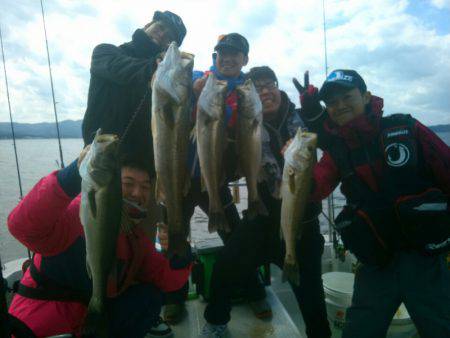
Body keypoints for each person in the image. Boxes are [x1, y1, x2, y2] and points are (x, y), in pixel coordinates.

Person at [298, 69, 450, 338]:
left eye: (347, 96)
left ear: (366, 96)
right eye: (332, 102)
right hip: (376, 264)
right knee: (360, 331)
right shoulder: (338, 152)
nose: (340, 105)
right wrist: (293, 168)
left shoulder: (405, 128)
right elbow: (315, 188)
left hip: (424, 260)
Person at [199, 66, 331, 338]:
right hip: (261, 219)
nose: (265, 91)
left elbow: (333, 139)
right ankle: (216, 324)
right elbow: (231, 169)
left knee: (312, 299)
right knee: (225, 265)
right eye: (257, 88)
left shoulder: (304, 118)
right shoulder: (246, 123)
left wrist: (316, 111)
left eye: (268, 84)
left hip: (301, 225)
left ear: (277, 86)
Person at [7, 150, 192, 338]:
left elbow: (167, 281)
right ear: (109, 184)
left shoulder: (135, 238)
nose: (138, 193)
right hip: (43, 323)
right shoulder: (77, 214)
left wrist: (180, 253)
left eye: (145, 187)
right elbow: (21, 226)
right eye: (128, 184)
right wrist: (70, 176)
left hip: (92, 319)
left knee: (148, 297)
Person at [163, 33, 268, 325]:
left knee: (236, 238)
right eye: (223, 53)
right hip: (181, 179)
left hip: (216, 180)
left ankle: (253, 288)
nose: (228, 58)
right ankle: (173, 297)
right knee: (175, 236)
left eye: (235, 54)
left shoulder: (249, 89)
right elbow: (169, 89)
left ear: (245, 59)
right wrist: (192, 88)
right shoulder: (198, 77)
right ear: (215, 56)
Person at [81, 10, 187, 166]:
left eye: (170, 37)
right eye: (161, 26)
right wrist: (156, 67)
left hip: (143, 173)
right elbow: (124, 69)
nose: (163, 34)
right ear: (147, 25)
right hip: (101, 161)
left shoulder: (166, 81)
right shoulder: (104, 53)